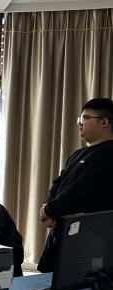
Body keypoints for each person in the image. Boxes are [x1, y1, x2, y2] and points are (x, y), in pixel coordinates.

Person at [38, 98, 113, 272]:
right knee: (47, 278)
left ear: (104, 122)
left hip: (88, 236)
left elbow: (82, 190)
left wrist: (50, 209)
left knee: (73, 281)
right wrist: (48, 208)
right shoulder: (78, 153)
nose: (80, 123)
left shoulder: (108, 153)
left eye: (85, 118)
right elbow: (59, 183)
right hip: (61, 230)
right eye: (80, 118)